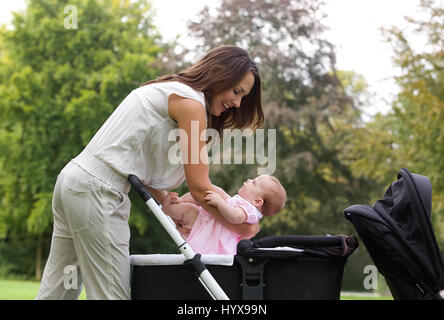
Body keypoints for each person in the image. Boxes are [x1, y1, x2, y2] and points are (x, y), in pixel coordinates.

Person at [36, 45, 264, 300]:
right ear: (220, 73)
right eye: (237, 91)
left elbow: (133, 159)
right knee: (111, 295)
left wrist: (165, 199)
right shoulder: (190, 104)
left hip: (75, 181)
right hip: (98, 192)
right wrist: (240, 226)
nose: (237, 103)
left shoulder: (172, 90)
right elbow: (200, 188)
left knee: (57, 291)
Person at [162, 175, 287, 255]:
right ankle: (172, 207)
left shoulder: (250, 210)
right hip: (208, 224)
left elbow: (235, 217)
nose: (248, 180)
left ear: (257, 201)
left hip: (215, 237)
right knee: (190, 209)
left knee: (190, 210)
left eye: (254, 182)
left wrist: (220, 202)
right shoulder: (242, 203)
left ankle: (169, 209)